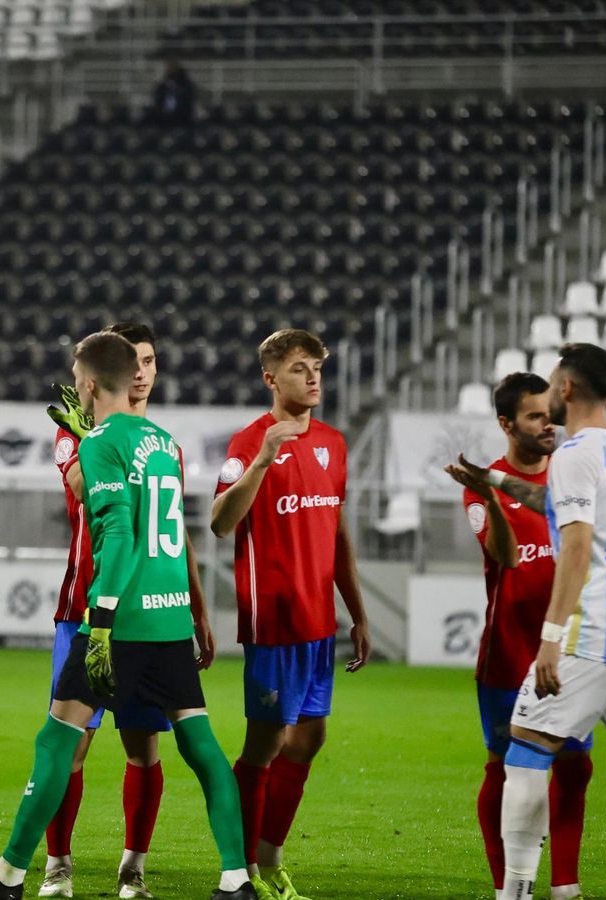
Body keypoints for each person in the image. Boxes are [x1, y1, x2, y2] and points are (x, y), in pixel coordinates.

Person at [0, 332, 255, 900]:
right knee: (200, 745)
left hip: (120, 621)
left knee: (57, 738)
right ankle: (235, 878)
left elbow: (120, 533)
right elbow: (172, 536)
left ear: (85, 383)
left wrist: (101, 616)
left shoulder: (100, 442)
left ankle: (9, 874)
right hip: (169, 617)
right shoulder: (164, 441)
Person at [458, 343, 606, 899]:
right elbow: (561, 506)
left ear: (567, 388)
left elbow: (578, 549)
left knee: (526, 747)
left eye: (555, 380)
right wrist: (500, 483)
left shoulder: (573, 454)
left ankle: (513, 891)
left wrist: (552, 639)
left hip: (597, 630)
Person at [39, 322, 217, 900]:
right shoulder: (79, 436)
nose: (141, 372)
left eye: (150, 361)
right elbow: (79, 489)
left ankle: (132, 869)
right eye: (133, 362)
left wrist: (197, 608)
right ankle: (57, 866)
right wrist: (84, 431)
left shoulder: (166, 445)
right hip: (87, 612)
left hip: (152, 617)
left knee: (144, 746)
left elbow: (177, 536)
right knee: (71, 744)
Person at [209, 328, 371, 900]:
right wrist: (260, 463)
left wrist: (357, 611)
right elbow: (221, 521)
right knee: (265, 745)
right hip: (273, 624)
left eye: (319, 367)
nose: (314, 377)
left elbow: (337, 533)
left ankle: (269, 858)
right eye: (302, 368)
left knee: (309, 739)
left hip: (318, 624)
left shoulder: (334, 442)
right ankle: (238, 867)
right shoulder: (248, 442)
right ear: (271, 377)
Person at [444, 373, 591, 900]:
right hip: (508, 654)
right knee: (505, 770)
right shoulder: (485, 487)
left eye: (550, 412)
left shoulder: (572, 476)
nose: (547, 423)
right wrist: (489, 493)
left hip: (573, 653)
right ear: (506, 424)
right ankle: (508, 885)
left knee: (575, 766)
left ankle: (566, 885)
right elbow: (504, 557)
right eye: (534, 416)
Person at [152, 60, 195, 126]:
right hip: (164, 114)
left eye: (172, 68)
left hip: (181, 115)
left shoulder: (185, 83)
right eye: (168, 69)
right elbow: (158, 97)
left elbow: (188, 98)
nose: (170, 70)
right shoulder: (164, 83)